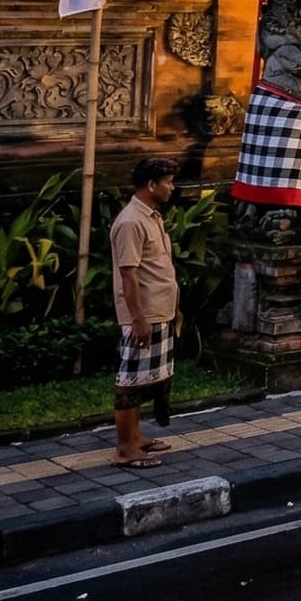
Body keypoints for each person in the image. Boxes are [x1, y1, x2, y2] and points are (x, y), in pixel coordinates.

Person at [109, 157, 180, 468]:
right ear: (151, 185)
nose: (172, 188)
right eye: (168, 182)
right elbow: (129, 274)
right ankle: (125, 447)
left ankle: (136, 437)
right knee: (130, 381)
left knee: (145, 379)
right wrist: (137, 318)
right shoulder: (130, 222)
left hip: (158, 310)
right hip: (143, 315)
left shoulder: (151, 216)